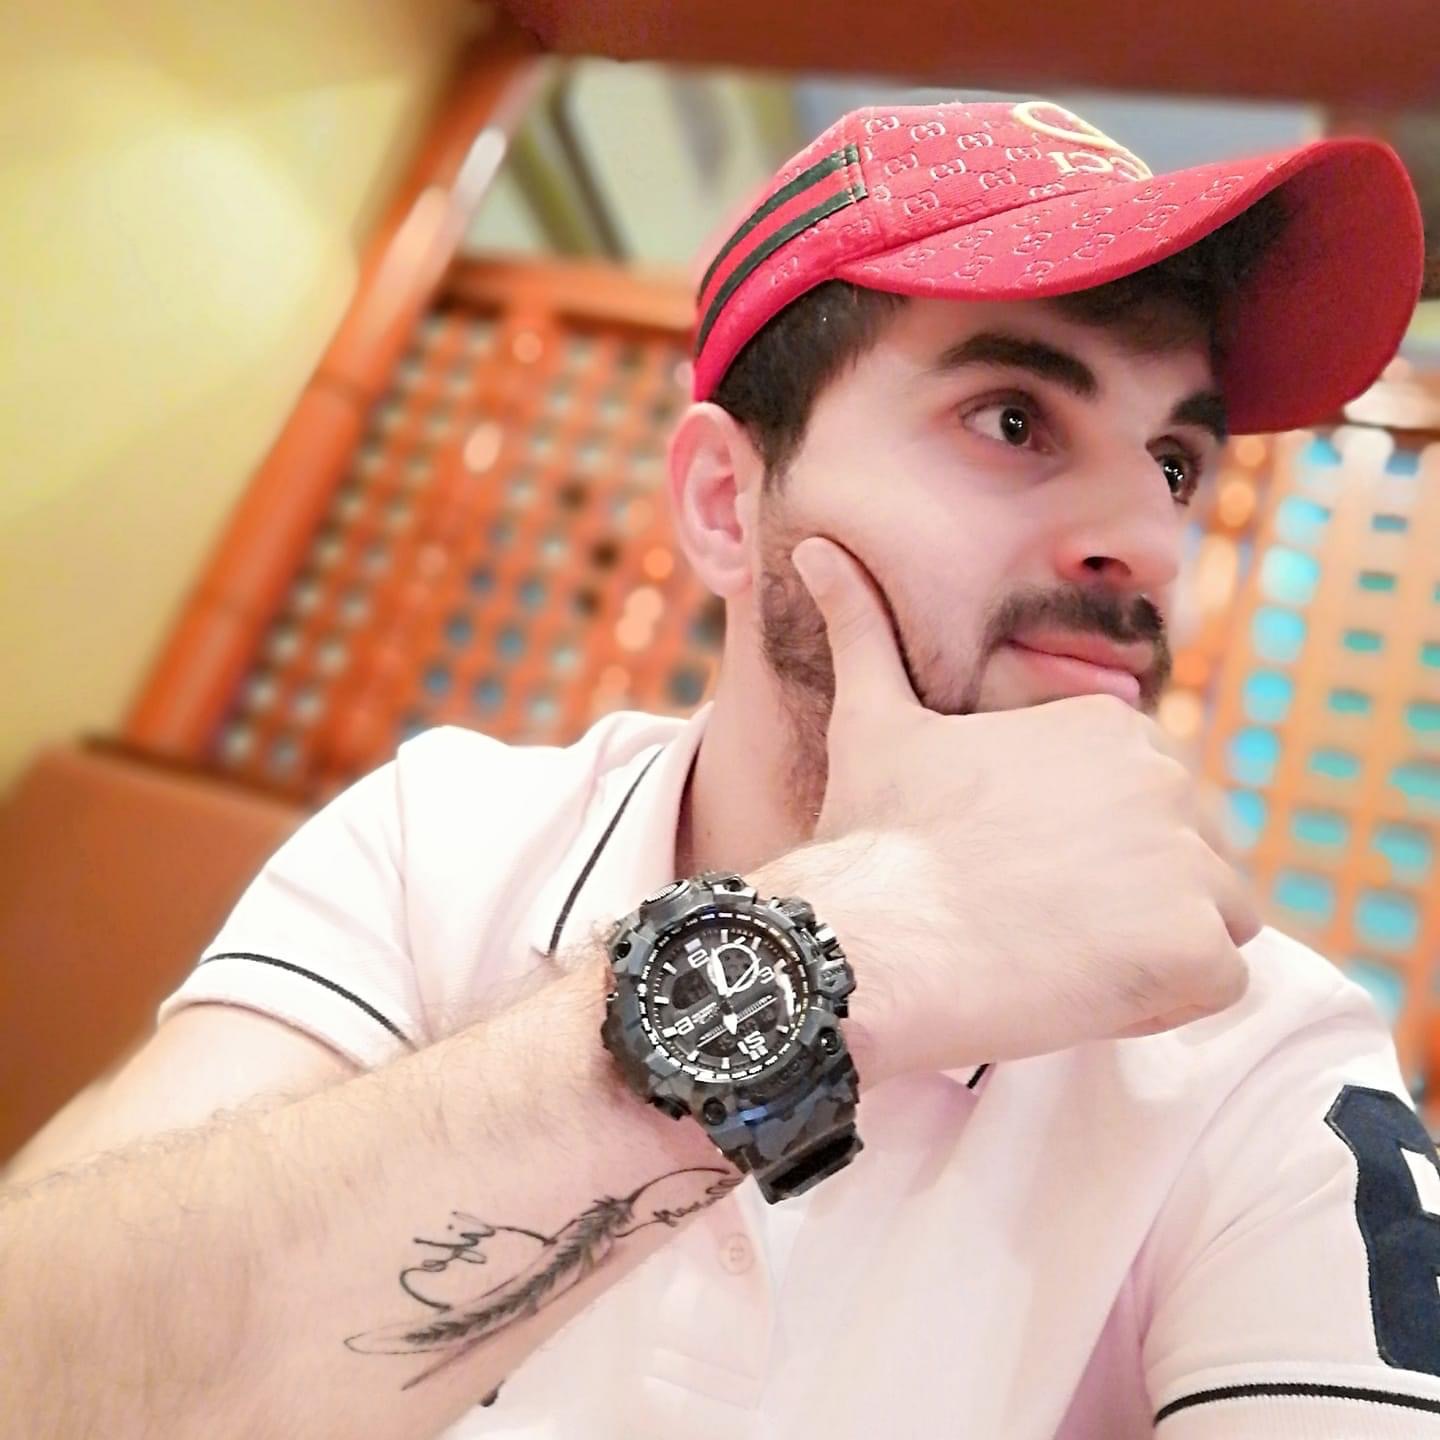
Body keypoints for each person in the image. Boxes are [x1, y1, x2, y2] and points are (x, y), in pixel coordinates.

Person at [3, 97, 1437, 1439]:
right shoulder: (441, 844)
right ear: (721, 502)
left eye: (1176, 462)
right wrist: (854, 945)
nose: (1150, 541)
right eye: (1013, 419)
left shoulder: (1261, 1051)